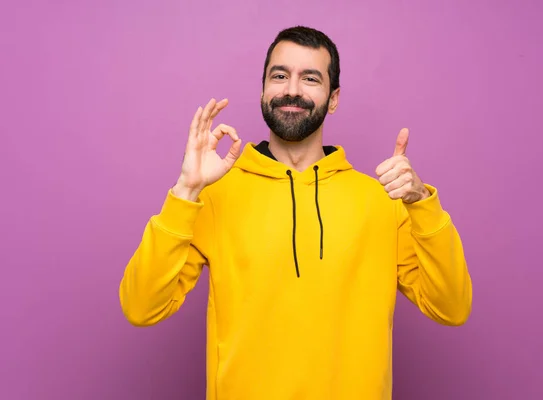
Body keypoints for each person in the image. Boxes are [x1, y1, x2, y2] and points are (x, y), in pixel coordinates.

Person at [119, 25, 472, 400]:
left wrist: (421, 204)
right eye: (280, 75)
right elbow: (142, 308)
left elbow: (450, 307)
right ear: (263, 90)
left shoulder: (382, 201)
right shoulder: (215, 196)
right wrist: (186, 190)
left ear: (333, 98)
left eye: (310, 78)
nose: (291, 90)